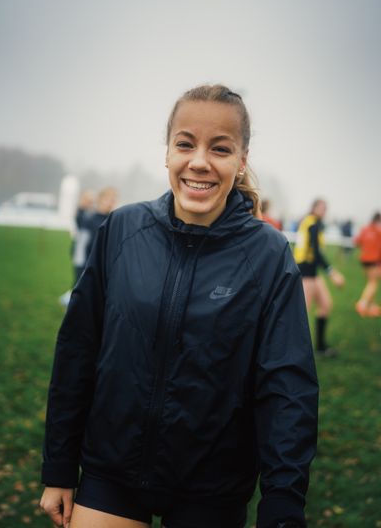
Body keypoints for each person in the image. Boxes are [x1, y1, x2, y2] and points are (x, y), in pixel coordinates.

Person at [40, 84, 318, 528]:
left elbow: (287, 384)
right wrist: (58, 467)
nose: (200, 161)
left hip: (212, 489)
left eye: (220, 148)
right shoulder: (122, 229)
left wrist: (284, 499)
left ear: (241, 160)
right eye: (185, 144)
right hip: (111, 472)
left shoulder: (268, 254)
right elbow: (78, 350)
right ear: (167, 153)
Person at [293, 199, 345, 356]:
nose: (323, 211)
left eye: (325, 208)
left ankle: (321, 347)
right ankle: (292, 350)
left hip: (313, 272)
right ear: (313, 208)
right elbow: (316, 253)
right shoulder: (312, 224)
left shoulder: (313, 222)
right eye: (321, 208)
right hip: (306, 273)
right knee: (301, 313)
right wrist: (332, 272)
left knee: (326, 305)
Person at [354, 212, 381, 317]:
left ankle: (371, 306)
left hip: (364, 259)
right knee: (373, 283)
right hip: (373, 259)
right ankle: (362, 304)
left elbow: (357, 241)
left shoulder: (364, 228)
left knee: (371, 281)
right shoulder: (378, 231)